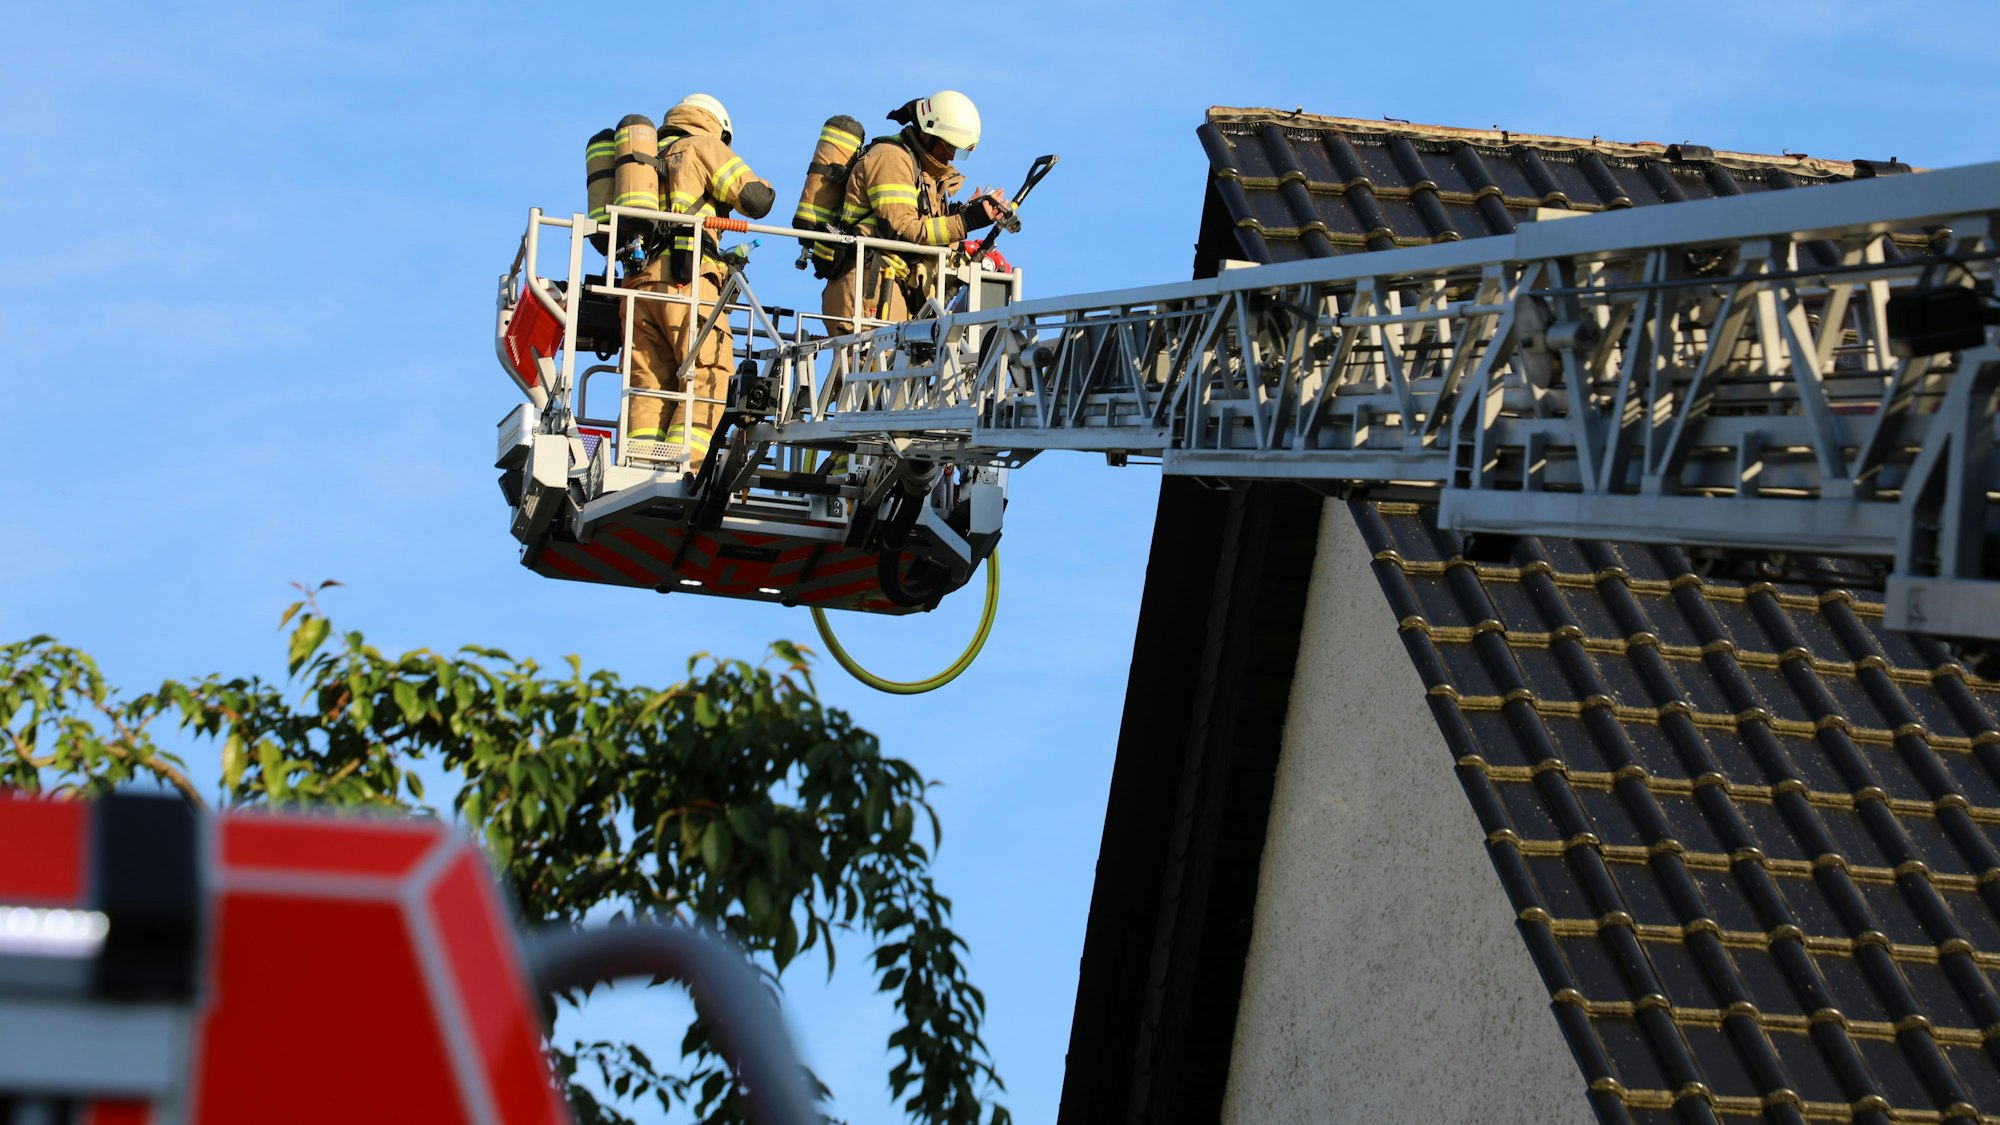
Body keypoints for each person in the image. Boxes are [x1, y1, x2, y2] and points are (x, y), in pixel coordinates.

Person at [624, 93, 775, 466]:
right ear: (719, 128)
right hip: (685, 281)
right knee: (708, 370)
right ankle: (686, 465)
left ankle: (641, 464)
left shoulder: (644, 158)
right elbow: (755, 200)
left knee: (649, 385)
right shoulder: (704, 145)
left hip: (635, 287)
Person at [821, 90, 1007, 333]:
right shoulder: (892, 159)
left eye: (959, 151)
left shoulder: (924, 172)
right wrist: (968, 220)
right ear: (927, 131)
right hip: (868, 288)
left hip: (890, 287)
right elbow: (905, 229)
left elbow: (926, 228)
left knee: (893, 370)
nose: (952, 156)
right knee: (874, 369)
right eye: (949, 146)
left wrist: (960, 212)